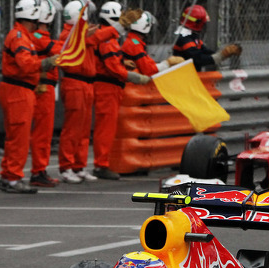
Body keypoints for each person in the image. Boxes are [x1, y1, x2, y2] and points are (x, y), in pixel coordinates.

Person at [0, 0, 58, 193]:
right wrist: (46, 63)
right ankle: (12, 178)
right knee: (19, 137)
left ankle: (8, 176)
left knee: (16, 136)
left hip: (19, 89)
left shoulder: (22, 35)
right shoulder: (20, 37)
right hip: (18, 91)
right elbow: (25, 64)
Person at [91, 2, 148, 181]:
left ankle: (100, 163)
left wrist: (122, 63)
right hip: (107, 87)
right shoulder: (107, 39)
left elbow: (112, 62)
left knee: (106, 128)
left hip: (109, 86)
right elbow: (111, 67)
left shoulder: (108, 37)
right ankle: (101, 165)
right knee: (105, 128)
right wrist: (133, 77)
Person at [57, 0, 99, 184]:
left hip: (85, 84)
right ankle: (66, 167)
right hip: (75, 83)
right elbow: (94, 38)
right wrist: (117, 28)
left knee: (83, 129)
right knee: (72, 128)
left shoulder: (79, 33)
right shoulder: (69, 35)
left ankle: (78, 166)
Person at [29, 0, 63, 188]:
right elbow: (61, 53)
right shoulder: (39, 37)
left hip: (44, 87)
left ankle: (39, 170)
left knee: (43, 132)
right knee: (42, 132)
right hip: (42, 88)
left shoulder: (40, 36)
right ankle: (38, 171)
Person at [173, 4, 242, 72]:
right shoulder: (184, 39)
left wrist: (224, 53)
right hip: (184, 77)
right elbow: (198, 59)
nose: (203, 26)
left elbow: (204, 51)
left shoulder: (191, 36)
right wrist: (220, 56)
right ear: (197, 23)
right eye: (202, 23)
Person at [121, 11, 184, 76]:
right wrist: (167, 63)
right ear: (145, 27)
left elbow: (148, 65)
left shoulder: (133, 41)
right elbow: (148, 70)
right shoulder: (135, 44)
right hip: (133, 85)